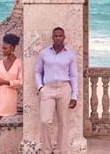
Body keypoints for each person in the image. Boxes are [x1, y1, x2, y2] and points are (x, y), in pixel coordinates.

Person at [34, 26, 79, 154]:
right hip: (48, 89)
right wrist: (40, 87)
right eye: (56, 36)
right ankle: (47, 151)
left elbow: (74, 76)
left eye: (60, 36)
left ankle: (61, 150)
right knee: (45, 121)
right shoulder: (44, 53)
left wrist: (74, 95)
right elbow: (37, 71)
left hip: (64, 89)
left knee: (63, 123)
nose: (58, 38)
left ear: (64, 37)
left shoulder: (70, 55)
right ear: (52, 37)